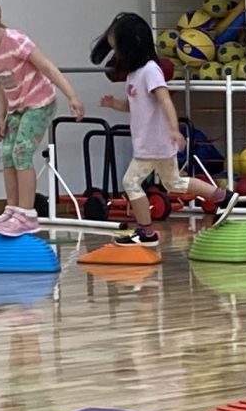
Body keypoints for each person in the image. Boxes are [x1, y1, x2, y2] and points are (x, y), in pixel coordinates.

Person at [0, 0, 83, 237]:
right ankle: (12, 209)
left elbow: (47, 67)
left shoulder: (16, 41)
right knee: (7, 154)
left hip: (39, 102)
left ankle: (27, 214)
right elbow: (0, 82)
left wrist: (72, 96)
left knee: (21, 153)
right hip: (17, 106)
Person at [93, 13, 228, 245]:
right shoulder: (135, 74)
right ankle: (222, 197)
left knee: (130, 182)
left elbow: (165, 100)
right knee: (174, 183)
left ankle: (146, 232)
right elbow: (135, 105)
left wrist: (174, 130)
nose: (115, 53)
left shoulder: (150, 70)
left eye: (117, 47)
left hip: (154, 143)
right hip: (152, 143)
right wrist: (114, 104)